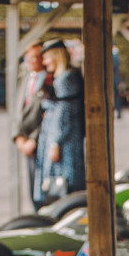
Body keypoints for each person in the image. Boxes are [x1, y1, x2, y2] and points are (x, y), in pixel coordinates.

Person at [34, 39, 85, 208]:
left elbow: (65, 114)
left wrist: (56, 141)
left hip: (64, 141)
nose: (45, 62)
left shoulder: (66, 79)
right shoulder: (60, 78)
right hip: (58, 136)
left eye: (47, 57)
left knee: (62, 180)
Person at [13, 42, 48, 210]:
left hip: (41, 139)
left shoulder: (49, 79)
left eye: (36, 57)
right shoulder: (25, 78)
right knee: (32, 182)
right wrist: (18, 137)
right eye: (29, 57)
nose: (32, 61)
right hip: (26, 139)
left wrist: (33, 139)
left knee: (43, 185)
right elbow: (18, 109)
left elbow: (48, 115)